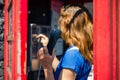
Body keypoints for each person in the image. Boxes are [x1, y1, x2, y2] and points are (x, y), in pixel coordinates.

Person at [36, 4, 93, 80]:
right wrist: (49, 47)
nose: (60, 28)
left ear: (68, 27)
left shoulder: (72, 55)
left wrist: (47, 68)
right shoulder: (80, 50)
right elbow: (63, 72)